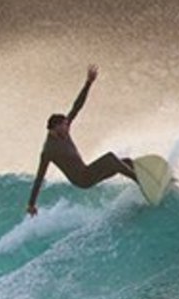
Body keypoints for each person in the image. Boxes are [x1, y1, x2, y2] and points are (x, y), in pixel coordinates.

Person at [26, 65, 137, 216]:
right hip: (83, 180)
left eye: (67, 124)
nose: (67, 128)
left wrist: (88, 83)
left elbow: (76, 107)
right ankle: (142, 183)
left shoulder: (63, 132)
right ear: (54, 128)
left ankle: (145, 182)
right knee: (111, 158)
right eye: (64, 126)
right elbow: (39, 177)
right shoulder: (49, 150)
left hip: (88, 171)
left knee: (127, 162)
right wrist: (32, 204)